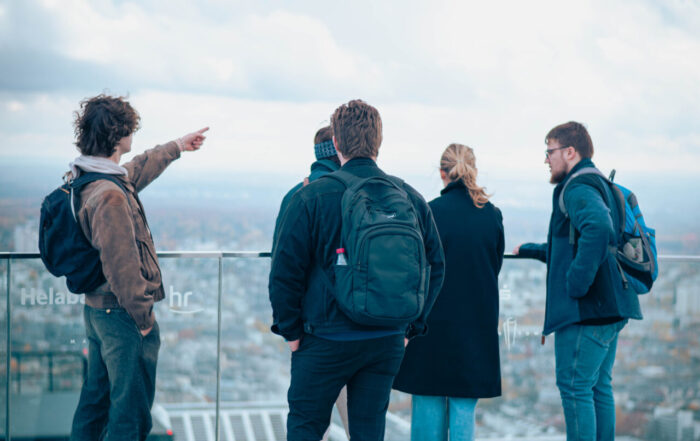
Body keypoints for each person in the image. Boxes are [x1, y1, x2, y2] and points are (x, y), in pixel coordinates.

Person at [269, 99, 445, 441]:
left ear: (335, 143)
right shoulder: (408, 196)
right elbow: (435, 265)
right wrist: (411, 326)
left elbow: (284, 273)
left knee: (306, 428)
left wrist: (291, 333)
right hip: (386, 337)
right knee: (368, 432)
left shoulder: (311, 197)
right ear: (378, 142)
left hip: (324, 336)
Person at [68, 94, 208, 441]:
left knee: (95, 404)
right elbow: (122, 267)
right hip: (122, 316)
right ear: (118, 135)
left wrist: (177, 146)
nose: (134, 134)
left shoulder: (88, 178)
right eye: (130, 128)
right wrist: (144, 321)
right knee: (130, 415)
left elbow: (139, 168)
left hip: (97, 310)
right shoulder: (110, 196)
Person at [514, 121, 642, 441]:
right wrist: (532, 250)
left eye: (550, 151)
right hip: (613, 305)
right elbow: (576, 243)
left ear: (570, 152)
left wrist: (575, 285)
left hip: (588, 311)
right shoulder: (601, 184)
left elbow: (598, 229)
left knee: (574, 388)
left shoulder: (576, 187)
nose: (546, 159)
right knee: (598, 387)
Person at [393, 143, 504, 441]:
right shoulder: (491, 216)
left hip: (431, 324)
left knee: (428, 404)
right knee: (464, 409)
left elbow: (413, 268)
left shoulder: (429, 213)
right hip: (475, 326)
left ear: (443, 173)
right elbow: (494, 266)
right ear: (473, 170)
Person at [272, 125, 349, 440]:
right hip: (356, 322)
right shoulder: (355, 192)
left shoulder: (297, 194)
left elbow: (282, 267)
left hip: (309, 327)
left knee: (311, 422)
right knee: (358, 419)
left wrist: (290, 328)